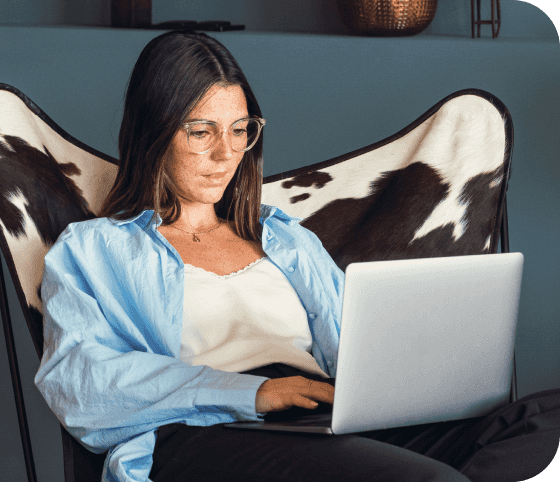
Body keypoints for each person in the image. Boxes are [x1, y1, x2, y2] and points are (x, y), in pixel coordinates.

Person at [35, 30, 560, 482]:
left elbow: (352, 343)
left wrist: (408, 385)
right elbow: (81, 385)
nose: (226, 154)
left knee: (540, 420)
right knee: (424, 478)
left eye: (240, 130)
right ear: (153, 133)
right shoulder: (94, 250)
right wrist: (256, 393)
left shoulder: (284, 238)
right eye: (202, 132)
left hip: (321, 417)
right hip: (206, 434)